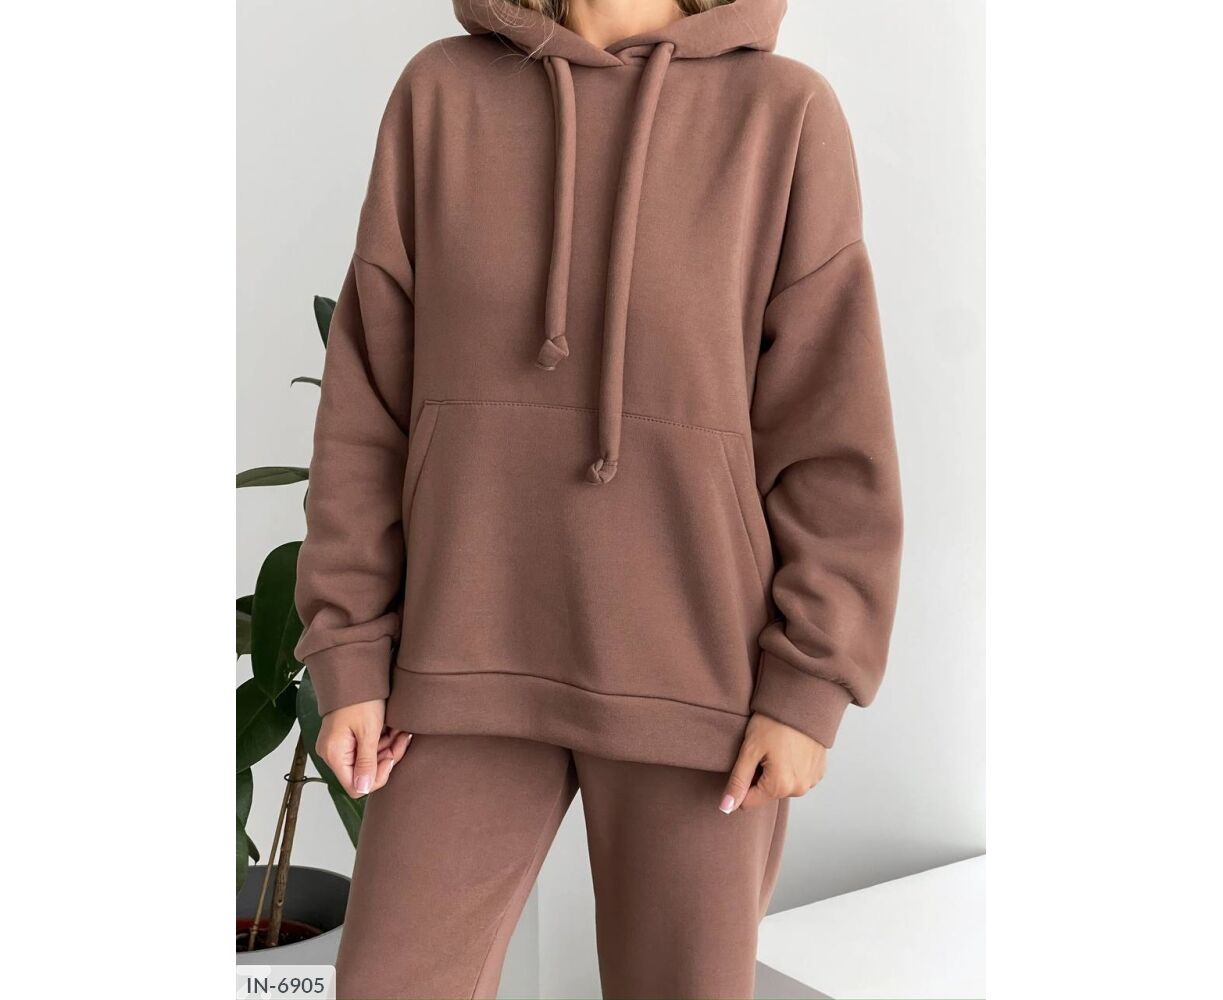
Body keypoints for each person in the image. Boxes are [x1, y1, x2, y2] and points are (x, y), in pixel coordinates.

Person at [293, 0, 903, 996]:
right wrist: (350, 645)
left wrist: (810, 684)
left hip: (700, 677)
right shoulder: (440, 94)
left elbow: (831, 433)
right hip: (459, 656)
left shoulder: (782, 114)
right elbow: (368, 401)